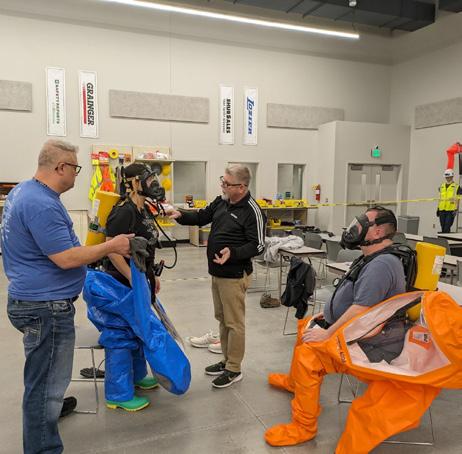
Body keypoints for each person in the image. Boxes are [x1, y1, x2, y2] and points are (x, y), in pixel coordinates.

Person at [1, 140, 132, 454]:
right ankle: (43, 446)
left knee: (42, 375)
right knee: (45, 387)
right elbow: (65, 258)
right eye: (75, 167)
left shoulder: (24, 191)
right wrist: (111, 246)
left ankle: (52, 408)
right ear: (61, 167)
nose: (76, 173)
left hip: (31, 299)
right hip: (45, 307)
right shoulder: (42, 204)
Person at [265, 206, 406, 447]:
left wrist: (329, 332)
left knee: (309, 357)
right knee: (306, 328)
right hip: (359, 331)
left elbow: (361, 311)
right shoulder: (371, 257)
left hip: (370, 344)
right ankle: (294, 383)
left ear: (378, 231)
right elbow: (357, 299)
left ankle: (303, 427)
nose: (356, 227)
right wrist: (329, 314)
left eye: (363, 223)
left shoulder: (381, 265)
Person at [167, 164, 265, 388]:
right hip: (217, 273)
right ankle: (226, 360)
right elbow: (202, 216)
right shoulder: (222, 201)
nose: (222, 186)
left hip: (234, 275)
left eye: (227, 184)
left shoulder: (252, 210)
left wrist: (234, 253)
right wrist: (180, 214)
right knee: (222, 319)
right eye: (223, 180)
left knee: (234, 323)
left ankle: (234, 369)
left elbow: (258, 245)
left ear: (241, 187)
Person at [101, 163, 162, 411]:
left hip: (139, 281)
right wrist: (132, 279)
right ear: (134, 182)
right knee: (121, 336)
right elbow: (111, 248)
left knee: (138, 331)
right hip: (120, 284)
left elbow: (145, 245)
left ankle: (137, 376)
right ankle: (118, 394)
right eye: (149, 179)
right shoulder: (123, 211)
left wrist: (151, 275)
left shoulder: (142, 209)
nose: (154, 183)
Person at [437, 168, 461, 233]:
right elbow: (440, 197)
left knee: (447, 227)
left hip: (451, 210)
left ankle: (445, 238)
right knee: (442, 226)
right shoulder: (442, 186)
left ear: (452, 176)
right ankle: (444, 238)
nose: (447, 178)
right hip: (442, 209)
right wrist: (438, 208)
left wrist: (456, 209)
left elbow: (458, 199)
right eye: (446, 177)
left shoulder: (457, 186)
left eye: (449, 177)